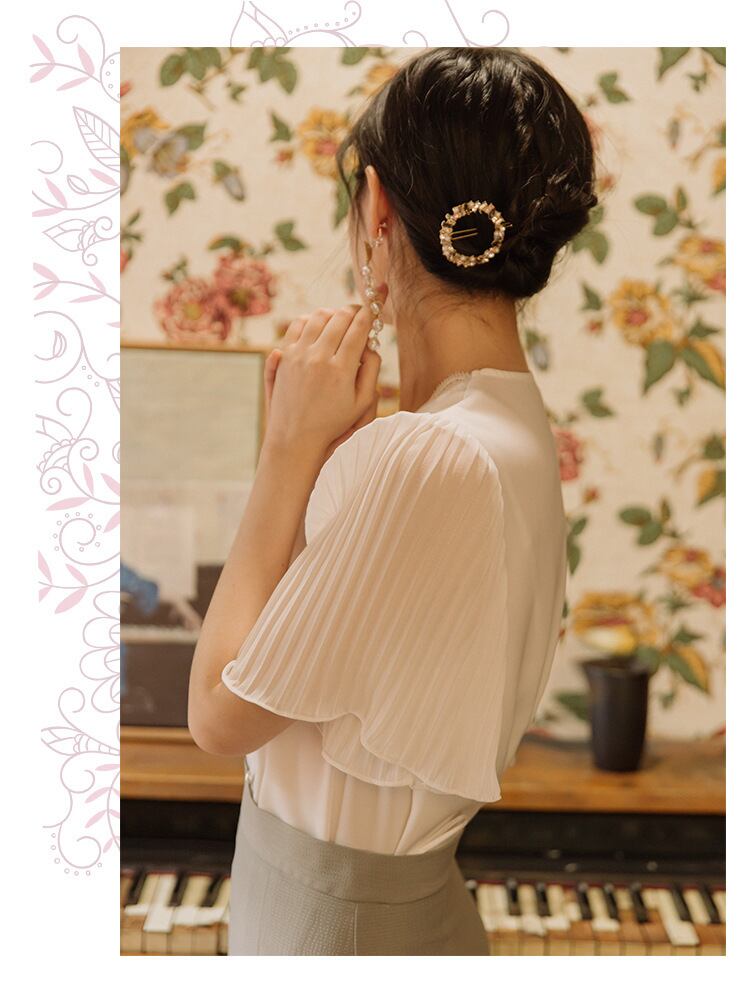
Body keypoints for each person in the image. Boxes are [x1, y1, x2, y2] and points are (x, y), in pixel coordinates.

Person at [187, 46, 597, 955]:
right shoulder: (504, 423)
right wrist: (330, 453)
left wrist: (286, 453)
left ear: (376, 209)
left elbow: (217, 717)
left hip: (336, 935)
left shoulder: (427, 455)